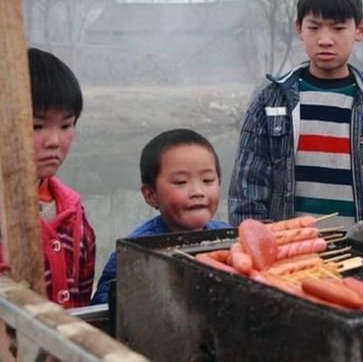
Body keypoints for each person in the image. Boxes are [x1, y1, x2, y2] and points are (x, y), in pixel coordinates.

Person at [228, 0, 363, 228]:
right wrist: (257, 248)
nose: (325, 39)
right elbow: (247, 191)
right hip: (289, 254)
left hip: (360, 256)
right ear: (299, 28)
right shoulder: (270, 105)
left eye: (338, 28)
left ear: (360, 30)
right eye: (314, 27)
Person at [91, 128, 229, 304]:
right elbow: (104, 305)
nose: (198, 192)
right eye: (181, 182)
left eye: (208, 180)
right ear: (151, 195)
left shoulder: (229, 238)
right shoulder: (137, 251)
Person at [22, 48, 96, 308]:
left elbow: (82, 302)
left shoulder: (74, 215)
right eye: (36, 126)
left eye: (66, 126)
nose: (54, 142)